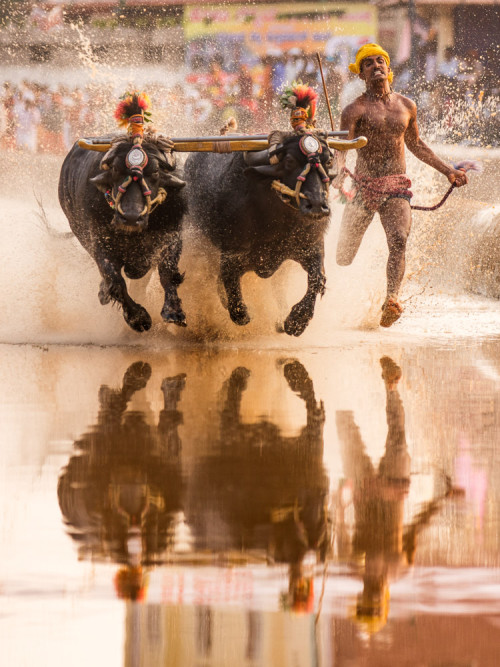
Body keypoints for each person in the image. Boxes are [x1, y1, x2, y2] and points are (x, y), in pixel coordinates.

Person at [333, 43, 468, 327]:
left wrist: (448, 171)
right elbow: (342, 148)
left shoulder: (407, 106)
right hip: (363, 187)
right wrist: (337, 170)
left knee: (398, 240)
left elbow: (417, 144)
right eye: (368, 63)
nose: (375, 66)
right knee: (343, 257)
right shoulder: (353, 110)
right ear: (361, 74)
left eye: (380, 61)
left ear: (389, 69)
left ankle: (392, 299)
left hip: (396, 186)